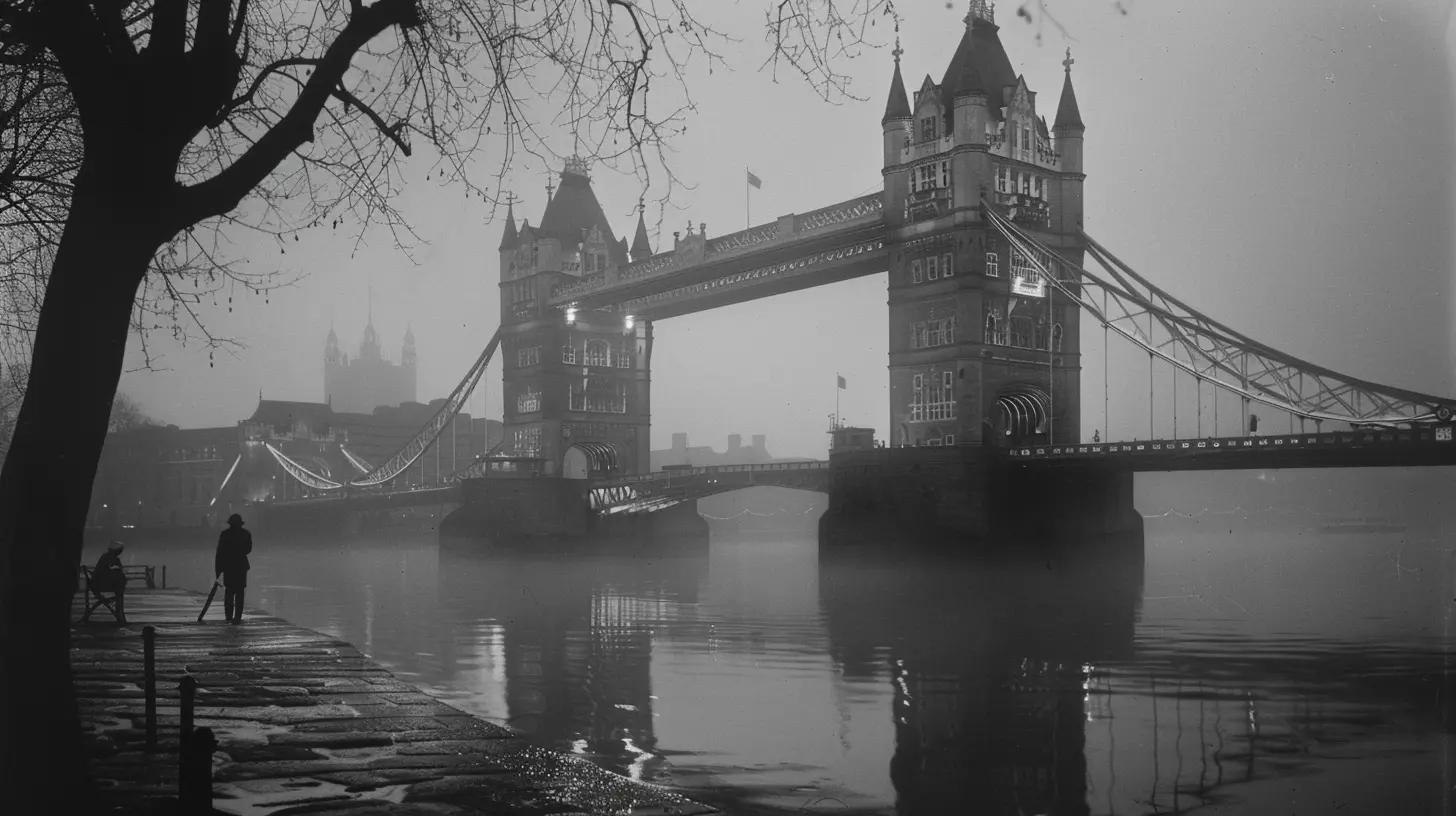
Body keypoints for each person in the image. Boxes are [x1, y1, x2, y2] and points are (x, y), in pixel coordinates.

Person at [215, 514, 253, 624]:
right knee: (240, 593)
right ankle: (237, 617)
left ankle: (228, 616)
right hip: (241, 567)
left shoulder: (225, 534)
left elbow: (219, 554)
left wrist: (218, 571)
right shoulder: (246, 534)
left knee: (229, 592)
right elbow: (248, 550)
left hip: (228, 566)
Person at [93, 542, 128, 622]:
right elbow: (116, 571)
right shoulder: (112, 558)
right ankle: (120, 614)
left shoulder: (105, 556)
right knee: (119, 593)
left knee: (120, 589)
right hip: (102, 584)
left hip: (98, 583)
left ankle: (120, 613)